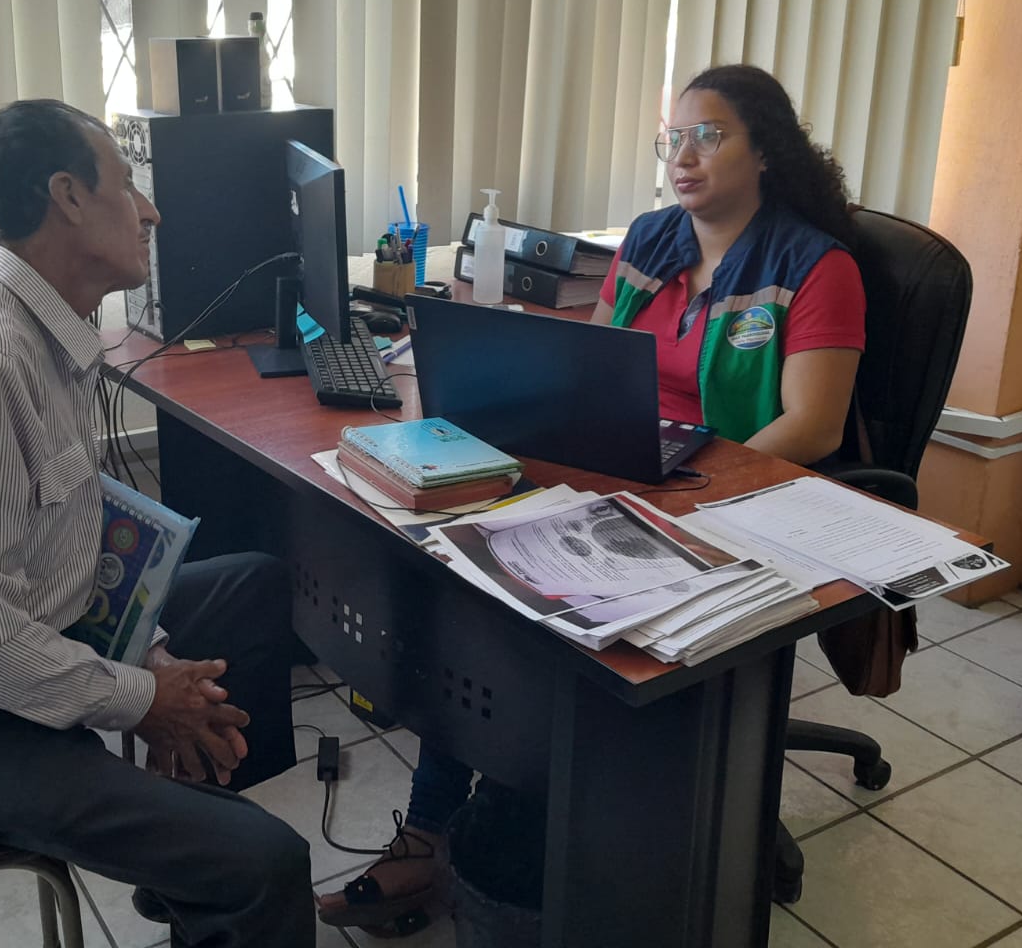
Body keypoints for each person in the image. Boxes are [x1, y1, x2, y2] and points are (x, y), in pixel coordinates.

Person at [316, 63, 865, 930]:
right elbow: (597, 364)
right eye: (672, 139)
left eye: (708, 136)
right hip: (626, 472)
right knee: (471, 584)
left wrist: (687, 497)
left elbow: (815, 424)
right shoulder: (650, 240)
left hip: (731, 500)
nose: (683, 156)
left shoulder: (815, 266)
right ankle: (447, 825)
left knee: (540, 627)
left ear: (765, 150)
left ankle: (492, 827)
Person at [0, 99, 313, 948]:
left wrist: (151, 658)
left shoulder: (38, 329)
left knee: (252, 585)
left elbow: (55, 549)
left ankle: (187, 857)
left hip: (2, 652)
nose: (151, 211)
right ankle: (220, 868)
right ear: (69, 197)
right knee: (265, 865)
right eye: (128, 184)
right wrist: (141, 699)